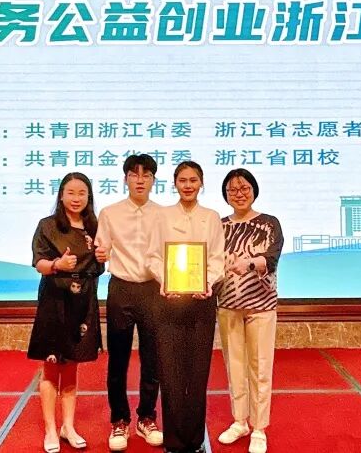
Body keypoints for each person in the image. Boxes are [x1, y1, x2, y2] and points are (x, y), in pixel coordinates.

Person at [147, 161, 225, 453]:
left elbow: (217, 258)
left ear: (201, 183)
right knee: (171, 374)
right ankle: (174, 441)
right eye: (182, 180)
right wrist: (165, 280)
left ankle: (194, 440)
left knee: (197, 373)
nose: (188, 185)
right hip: (168, 303)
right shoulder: (162, 216)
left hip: (202, 302)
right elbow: (153, 257)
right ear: (175, 183)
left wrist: (208, 282)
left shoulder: (212, 217)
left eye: (193, 180)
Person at [27, 173, 104, 453]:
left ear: (89, 196)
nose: (76, 198)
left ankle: (67, 426)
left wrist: (104, 256)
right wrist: (57, 264)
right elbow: (39, 263)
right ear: (61, 195)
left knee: (72, 366)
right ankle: (50, 428)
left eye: (82, 193)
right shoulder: (48, 226)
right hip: (55, 302)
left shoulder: (95, 227)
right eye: (70, 192)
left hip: (83, 303)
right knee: (51, 367)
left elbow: (99, 265)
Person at [94, 154, 164, 451]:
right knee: (118, 359)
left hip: (153, 289)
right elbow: (101, 250)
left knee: (153, 358)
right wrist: (100, 254)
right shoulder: (110, 213)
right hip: (121, 289)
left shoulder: (164, 214)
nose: (140, 180)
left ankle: (146, 417)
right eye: (134, 174)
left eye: (146, 175)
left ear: (153, 180)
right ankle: (119, 419)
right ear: (125, 179)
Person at [214, 169, 284, 453]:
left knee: (260, 367)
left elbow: (272, 257)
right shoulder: (219, 226)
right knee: (235, 366)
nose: (239, 194)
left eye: (244, 188)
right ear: (225, 195)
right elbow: (210, 262)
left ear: (254, 190)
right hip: (228, 305)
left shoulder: (268, 223)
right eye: (232, 190)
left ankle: (259, 427)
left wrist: (251, 263)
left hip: (261, 306)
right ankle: (240, 420)